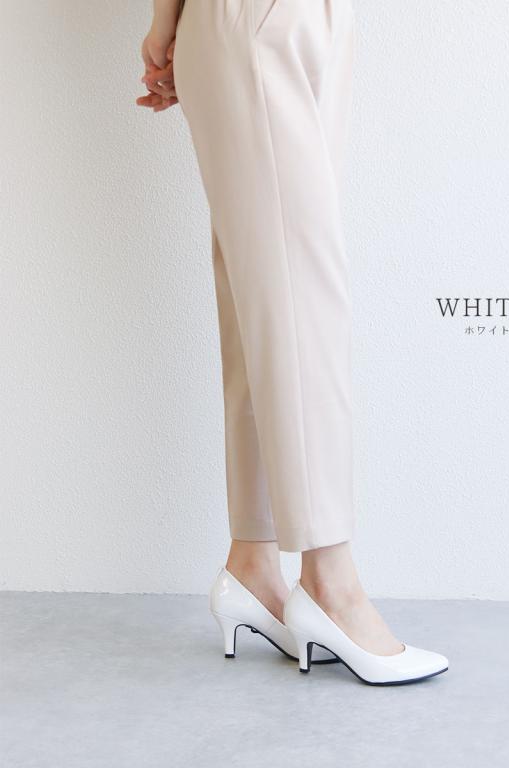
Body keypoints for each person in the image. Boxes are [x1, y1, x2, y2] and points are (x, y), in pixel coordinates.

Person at [136, 0, 448, 685]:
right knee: (299, 292)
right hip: (255, 17)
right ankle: (331, 582)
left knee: (268, 290)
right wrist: (167, 24)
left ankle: (253, 562)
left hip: (304, 20)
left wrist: (170, 26)